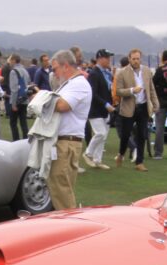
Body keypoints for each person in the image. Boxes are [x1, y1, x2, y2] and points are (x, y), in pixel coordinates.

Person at [46, 49, 92, 210]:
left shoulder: (79, 84)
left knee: (61, 188)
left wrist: (41, 99)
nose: (54, 73)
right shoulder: (70, 83)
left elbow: (61, 105)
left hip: (67, 142)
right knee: (60, 187)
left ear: (65, 66)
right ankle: (65, 223)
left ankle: (70, 224)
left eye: (55, 69)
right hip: (63, 141)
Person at [114, 49, 158, 172]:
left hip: (143, 106)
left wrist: (155, 104)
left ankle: (140, 162)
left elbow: (151, 89)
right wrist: (132, 90)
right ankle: (121, 153)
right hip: (128, 107)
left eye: (138, 58)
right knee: (126, 134)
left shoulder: (147, 71)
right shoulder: (122, 73)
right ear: (129, 59)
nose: (136, 61)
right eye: (133, 59)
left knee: (142, 135)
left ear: (141, 59)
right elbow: (118, 91)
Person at [83, 48, 115, 170]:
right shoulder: (94, 74)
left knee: (104, 136)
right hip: (95, 110)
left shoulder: (105, 73)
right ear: (100, 59)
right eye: (107, 58)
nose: (109, 60)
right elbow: (93, 93)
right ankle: (88, 153)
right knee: (100, 133)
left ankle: (97, 160)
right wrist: (106, 104)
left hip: (104, 110)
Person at [6, 54, 30, 141]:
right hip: (24, 99)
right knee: (23, 122)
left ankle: (16, 140)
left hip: (16, 100)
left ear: (14, 60)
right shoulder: (25, 71)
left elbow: (14, 89)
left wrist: (13, 104)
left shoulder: (13, 72)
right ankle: (25, 140)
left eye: (10, 60)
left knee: (13, 123)